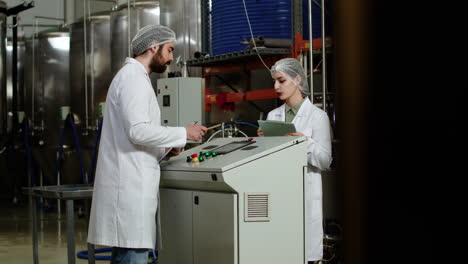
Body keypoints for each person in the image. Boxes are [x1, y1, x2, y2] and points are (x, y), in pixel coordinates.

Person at [87, 25, 207, 264]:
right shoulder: (134, 80)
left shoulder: (133, 78)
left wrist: (164, 148)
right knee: (133, 256)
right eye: (170, 50)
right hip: (129, 192)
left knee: (127, 255)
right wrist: (184, 132)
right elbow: (137, 131)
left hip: (129, 188)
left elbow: (133, 134)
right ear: (154, 47)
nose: (172, 58)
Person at [257, 58, 332, 263]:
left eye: (281, 81)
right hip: (279, 195)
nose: (276, 87)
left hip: (305, 197)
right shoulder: (273, 116)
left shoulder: (317, 117)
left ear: (297, 79)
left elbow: (325, 160)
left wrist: (304, 142)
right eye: (274, 81)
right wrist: (262, 143)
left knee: (302, 253)